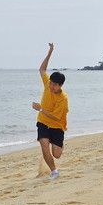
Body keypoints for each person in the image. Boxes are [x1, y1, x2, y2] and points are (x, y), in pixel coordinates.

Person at [32, 43, 69, 180]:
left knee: (57, 154)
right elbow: (42, 70)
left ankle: (58, 147)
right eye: (51, 83)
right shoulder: (48, 84)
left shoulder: (63, 98)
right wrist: (50, 52)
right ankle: (54, 171)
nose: (51, 86)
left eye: (55, 85)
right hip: (42, 122)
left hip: (57, 125)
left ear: (60, 86)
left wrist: (41, 108)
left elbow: (55, 117)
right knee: (44, 146)